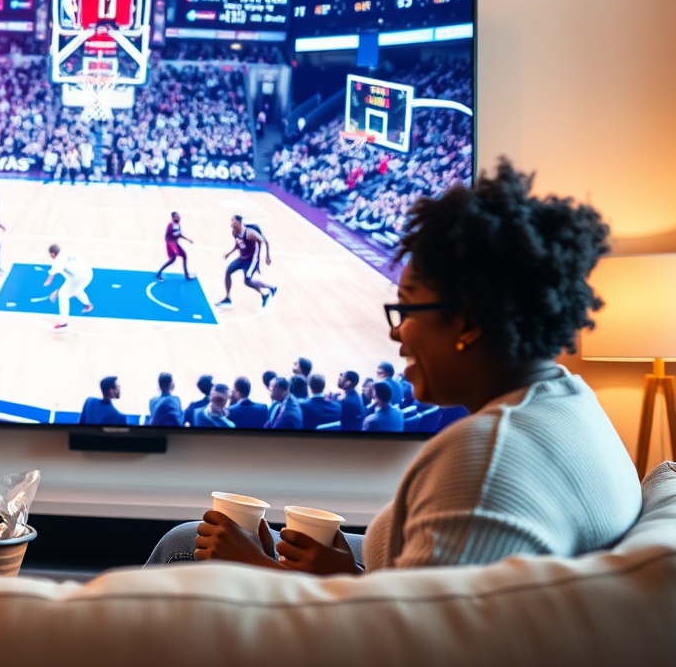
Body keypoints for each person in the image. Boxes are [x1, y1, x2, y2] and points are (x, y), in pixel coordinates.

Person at [148, 159, 641, 574]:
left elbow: (400, 655)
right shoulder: (570, 401)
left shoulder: (483, 463)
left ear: (467, 322)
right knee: (185, 539)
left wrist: (261, 572)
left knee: (187, 552)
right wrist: (349, 573)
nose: (395, 332)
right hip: (379, 584)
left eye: (406, 309)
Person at [217, 215, 276, 307]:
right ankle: (228, 298)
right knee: (228, 271)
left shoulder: (249, 234)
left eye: (233, 222)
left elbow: (265, 241)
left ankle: (271, 288)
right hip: (242, 258)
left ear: (239, 223)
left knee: (247, 281)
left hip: (252, 260)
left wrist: (267, 257)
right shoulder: (234, 232)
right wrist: (230, 253)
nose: (232, 224)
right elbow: (238, 244)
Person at [44, 242, 94, 331]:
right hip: (88, 272)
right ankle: (88, 305)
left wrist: (48, 283)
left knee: (63, 295)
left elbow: (51, 274)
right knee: (77, 290)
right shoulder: (68, 251)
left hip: (77, 277)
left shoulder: (58, 261)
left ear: (53, 254)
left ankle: (63, 323)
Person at [155, 211, 193, 281]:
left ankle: (186, 275)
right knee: (173, 259)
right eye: (177, 216)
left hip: (175, 243)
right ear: (173, 218)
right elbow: (168, 235)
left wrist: (188, 239)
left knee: (184, 255)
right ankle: (159, 273)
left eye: (178, 216)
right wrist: (171, 242)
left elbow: (179, 234)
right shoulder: (170, 225)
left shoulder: (177, 224)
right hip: (170, 243)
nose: (178, 217)